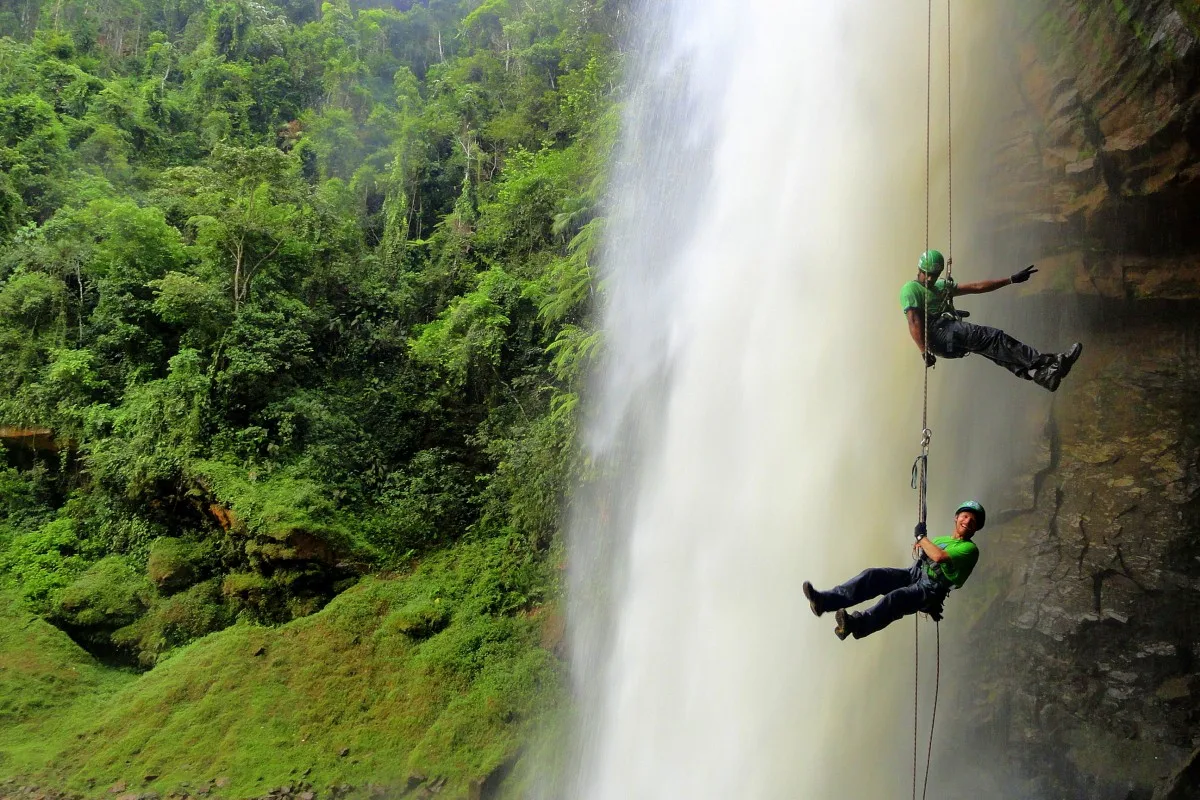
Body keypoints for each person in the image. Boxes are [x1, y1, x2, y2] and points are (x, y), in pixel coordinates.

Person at [902, 250, 1083, 392]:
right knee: (994, 338)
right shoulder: (911, 289)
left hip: (947, 337)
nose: (931, 278)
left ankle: (1041, 376)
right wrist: (924, 351)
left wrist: (1011, 280)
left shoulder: (940, 286)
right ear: (919, 270)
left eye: (935, 274)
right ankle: (1047, 363)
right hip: (938, 333)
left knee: (994, 350)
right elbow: (913, 322)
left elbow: (976, 287)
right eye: (928, 274)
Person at [802, 501, 985, 640]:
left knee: (895, 599)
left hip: (929, 590)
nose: (968, 521)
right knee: (873, 576)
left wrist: (921, 537)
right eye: (965, 516)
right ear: (956, 517)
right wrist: (923, 542)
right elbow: (929, 551)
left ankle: (855, 625)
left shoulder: (970, 549)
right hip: (914, 574)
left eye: (973, 521)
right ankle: (824, 601)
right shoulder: (943, 539)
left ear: (976, 528)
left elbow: (939, 557)